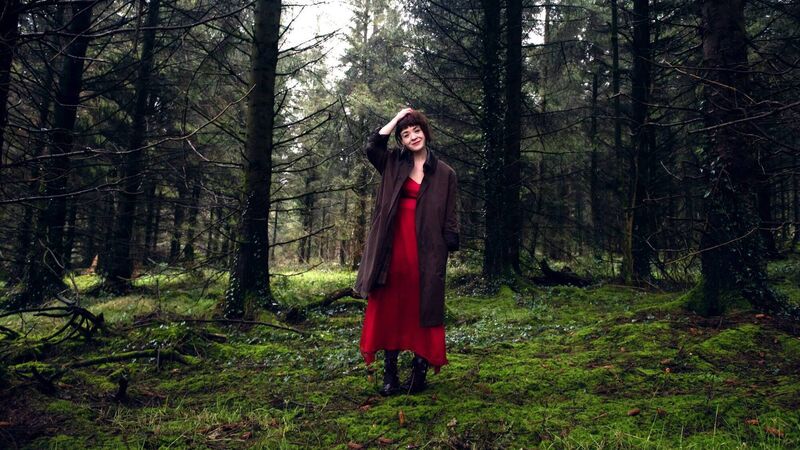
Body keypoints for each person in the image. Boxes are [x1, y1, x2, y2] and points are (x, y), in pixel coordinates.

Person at [354, 107, 460, 396]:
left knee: (422, 306)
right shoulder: (392, 162)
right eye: (406, 134)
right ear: (400, 140)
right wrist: (398, 117)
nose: (413, 136)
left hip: (427, 251)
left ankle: (419, 370)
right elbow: (372, 146)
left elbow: (451, 217)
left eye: (416, 130)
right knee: (391, 306)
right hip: (391, 248)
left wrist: (447, 247)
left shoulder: (446, 173)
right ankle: (390, 374)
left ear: (425, 132)